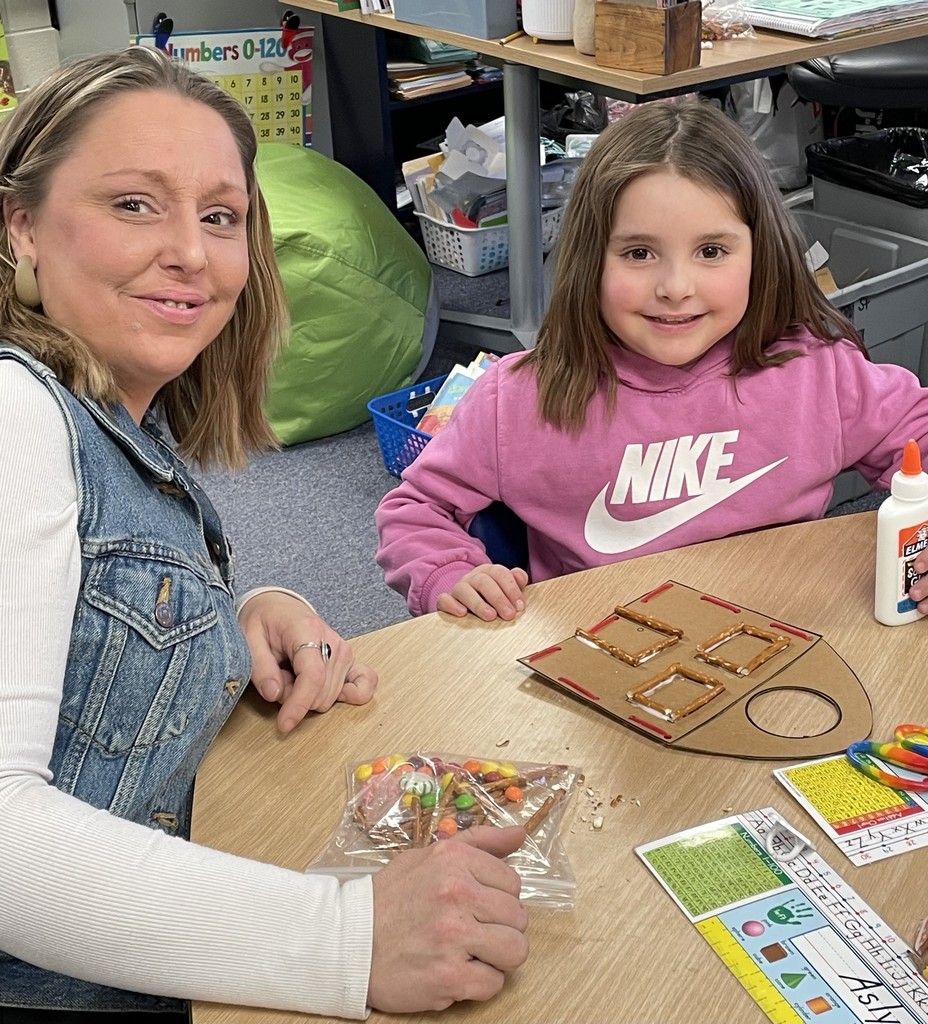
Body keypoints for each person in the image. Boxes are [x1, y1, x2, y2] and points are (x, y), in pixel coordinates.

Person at [0, 47, 528, 1022]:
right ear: (21, 225)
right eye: (133, 204)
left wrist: (232, 615)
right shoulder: (14, 415)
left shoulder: (114, 419)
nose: (193, 255)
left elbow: (76, 613)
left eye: (219, 216)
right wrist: (345, 940)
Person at [376, 99, 928, 622]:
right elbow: (417, 509)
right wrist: (449, 571)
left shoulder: (819, 371)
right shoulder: (521, 397)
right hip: (601, 663)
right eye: (639, 253)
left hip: (785, 643)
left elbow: (916, 435)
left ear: (761, 252)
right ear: (591, 259)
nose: (676, 287)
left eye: (711, 251)